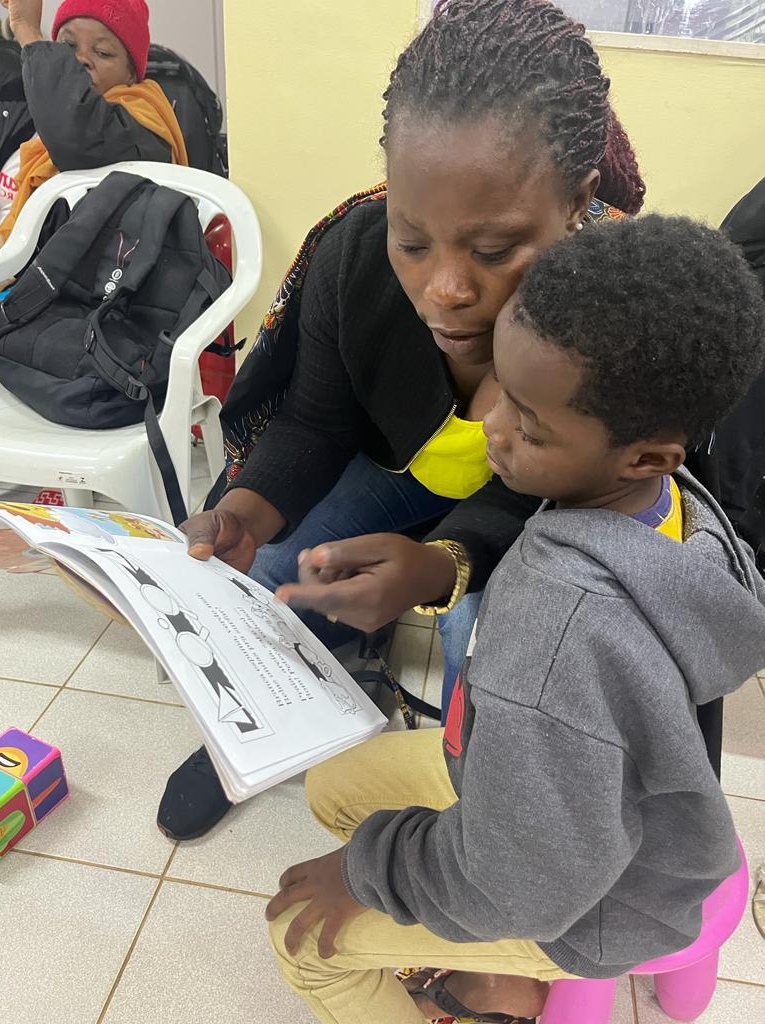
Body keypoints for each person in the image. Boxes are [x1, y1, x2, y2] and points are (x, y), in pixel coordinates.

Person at [159, 0, 646, 842]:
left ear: (578, 201)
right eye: (414, 239)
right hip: (395, 469)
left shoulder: (615, 310)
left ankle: (478, 813)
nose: (447, 288)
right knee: (274, 565)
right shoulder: (353, 253)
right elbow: (315, 423)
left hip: (532, 516)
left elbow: (567, 500)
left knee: (485, 640)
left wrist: (440, 566)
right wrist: (244, 509)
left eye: (493, 252)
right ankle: (250, 735)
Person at [264, 213, 765, 1024]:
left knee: (300, 939)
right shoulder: (680, 502)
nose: (491, 428)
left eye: (527, 425)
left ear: (643, 456)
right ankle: (461, 959)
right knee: (334, 786)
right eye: (502, 391)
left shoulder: (556, 629)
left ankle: (477, 984)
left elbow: (525, 883)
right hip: (589, 809)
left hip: (587, 909)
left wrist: (365, 876)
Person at [0, 0, 187, 241]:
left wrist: (28, 30)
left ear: (131, 73)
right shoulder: (36, 118)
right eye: (68, 45)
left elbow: (75, 137)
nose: (82, 59)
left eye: (102, 52)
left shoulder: (143, 126)